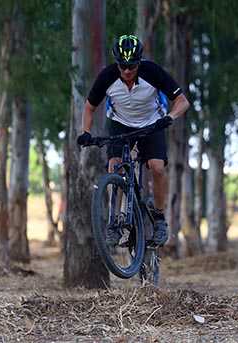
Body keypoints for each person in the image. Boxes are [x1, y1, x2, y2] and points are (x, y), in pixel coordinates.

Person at [76, 34, 190, 247]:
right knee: (114, 167)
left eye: (132, 66)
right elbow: (89, 107)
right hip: (120, 123)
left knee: (156, 168)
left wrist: (169, 118)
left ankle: (158, 218)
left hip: (152, 123)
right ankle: (114, 224)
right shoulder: (107, 76)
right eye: (122, 66)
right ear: (116, 63)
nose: (127, 71)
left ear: (139, 62)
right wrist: (86, 132)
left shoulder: (152, 72)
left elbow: (182, 102)